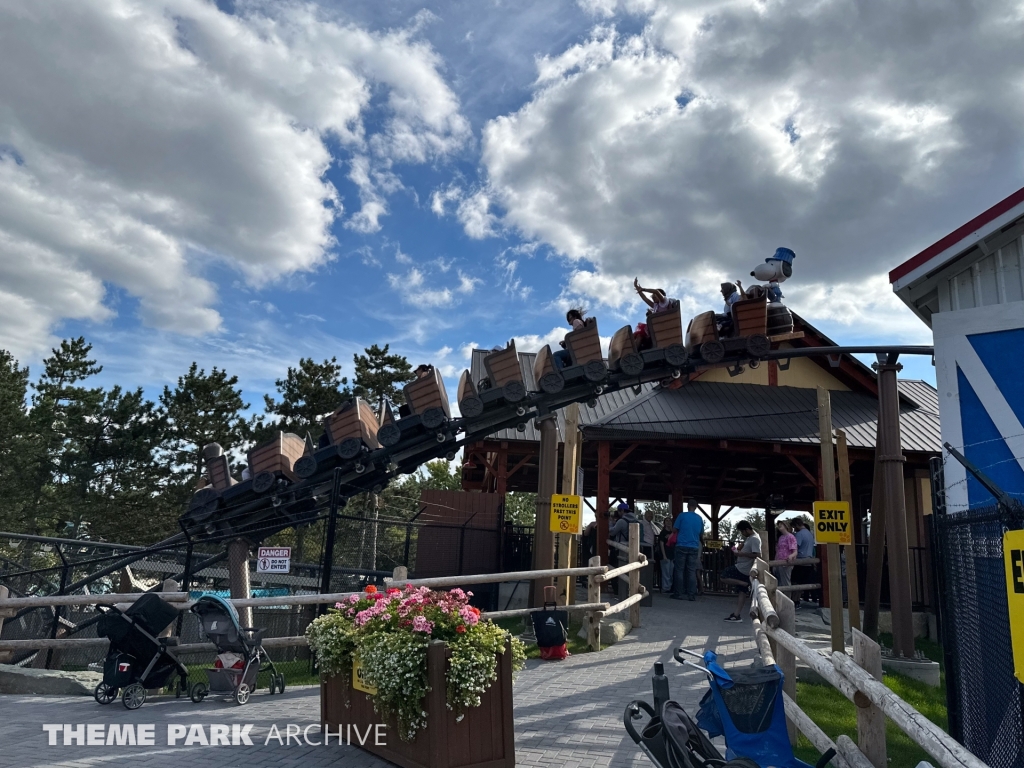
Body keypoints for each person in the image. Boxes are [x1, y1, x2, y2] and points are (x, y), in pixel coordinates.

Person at [719, 520, 762, 621]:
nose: (742, 534)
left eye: (742, 532)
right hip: (744, 567)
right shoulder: (750, 538)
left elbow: (758, 554)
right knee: (741, 593)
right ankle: (736, 615)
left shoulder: (755, 539)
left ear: (747, 529)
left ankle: (743, 583)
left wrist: (741, 554)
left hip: (743, 568)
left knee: (723, 576)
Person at [672, 499, 703, 601]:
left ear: (687, 506)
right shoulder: (699, 518)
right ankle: (691, 594)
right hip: (694, 546)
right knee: (691, 571)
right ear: (696, 507)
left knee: (679, 570)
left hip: (681, 545)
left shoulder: (682, 516)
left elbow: (674, 529)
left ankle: (678, 593)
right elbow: (701, 532)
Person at [791, 517, 817, 609]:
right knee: (802, 584)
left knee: (795, 583)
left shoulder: (799, 534)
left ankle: (794, 601)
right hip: (808, 561)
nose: (794, 529)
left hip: (800, 560)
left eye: (794, 527)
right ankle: (797, 601)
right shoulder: (810, 534)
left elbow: (795, 547)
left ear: (797, 525)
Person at [773, 519, 798, 587]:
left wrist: (791, 556)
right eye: (778, 525)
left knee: (785, 582)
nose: (779, 526)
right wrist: (775, 563)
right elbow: (778, 551)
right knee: (779, 583)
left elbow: (795, 551)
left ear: (786, 526)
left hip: (786, 563)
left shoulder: (791, 537)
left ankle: (787, 597)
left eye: (781, 524)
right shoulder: (781, 537)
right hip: (779, 562)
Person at [658, 514, 675, 593]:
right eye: (666, 521)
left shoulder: (673, 533)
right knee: (666, 573)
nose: (668, 522)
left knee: (671, 573)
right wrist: (664, 555)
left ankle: (670, 587)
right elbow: (661, 544)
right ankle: (665, 588)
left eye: (669, 521)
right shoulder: (663, 533)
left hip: (672, 555)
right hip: (665, 554)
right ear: (664, 523)